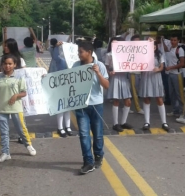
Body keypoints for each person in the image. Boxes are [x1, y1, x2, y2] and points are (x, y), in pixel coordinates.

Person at [72, 41, 109, 174]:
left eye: (81, 52)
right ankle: (88, 161)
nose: (78, 54)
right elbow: (68, 83)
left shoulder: (99, 65)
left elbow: (106, 85)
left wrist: (98, 73)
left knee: (98, 134)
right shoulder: (76, 66)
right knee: (83, 134)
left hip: (96, 105)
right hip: (81, 105)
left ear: (89, 52)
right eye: (78, 52)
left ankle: (98, 155)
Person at [0, 54, 36, 163]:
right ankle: (5, 153)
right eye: (5, 64)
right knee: (3, 131)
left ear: (14, 64)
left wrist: (16, 95)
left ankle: (28, 145)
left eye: (10, 64)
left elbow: (24, 92)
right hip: (2, 108)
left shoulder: (19, 77)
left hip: (16, 108)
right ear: (2, 65)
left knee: (21, 129)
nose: (7, 66)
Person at [139, 41, 169, 131]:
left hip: (156, 77)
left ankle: (164, 122)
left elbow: (161, 67)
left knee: (159, 99)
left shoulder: (159, 55)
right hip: (146, 76)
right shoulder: (143, 55)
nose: (153, 47)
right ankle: (147, 122)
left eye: (154, 45)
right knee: (146, 99)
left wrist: (158, 69)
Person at [105, 37, 132, 132]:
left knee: (128, 101)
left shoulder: (126, 54)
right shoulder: (109, 55)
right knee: (116, 100)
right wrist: (109, 72)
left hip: (123, 77)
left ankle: (123, 122)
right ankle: (115, 123)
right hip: (115, 78)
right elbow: (106, 67)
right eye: (113, 43)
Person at [48, 39, 72, 137]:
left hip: (68, 81)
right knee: (61, 105)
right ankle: (60, 127)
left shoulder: (69, 58)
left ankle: (68, 126)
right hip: (58, 81)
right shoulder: (57, 57)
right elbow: (54, 55)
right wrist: (57, 47)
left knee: (68, 106)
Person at [162, 34, 185, 117]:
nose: (173, 42)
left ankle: (183, 112)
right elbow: (166, 50)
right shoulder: (171, 48)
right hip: (171, 74)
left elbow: (182, 63)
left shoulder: (180, 50)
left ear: (178, 41)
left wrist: (171, 67)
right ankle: (175, 111)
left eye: (175, 40)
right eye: (171, 40)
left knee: (179, 94)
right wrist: (162, 41)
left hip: (177, 74)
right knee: (172, 94)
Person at [129, 35, 144, 114]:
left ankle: (127, 106)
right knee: (134, 91)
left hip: (139, 73)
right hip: (133, 73)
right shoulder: (129, 51)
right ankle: (138, 108)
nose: (137, 43)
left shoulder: (141, 50)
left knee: (133, 91)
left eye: (138, 41)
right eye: (135, 41)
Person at [156, 36, 171, 105]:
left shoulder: (166, 43)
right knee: (162, 83)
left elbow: (166, 49)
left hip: (164, 64)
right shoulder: (156, 45)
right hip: (159, 64)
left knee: (165, 83)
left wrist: (163, 41)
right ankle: (165, 97)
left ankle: (167, 98)